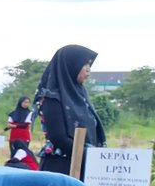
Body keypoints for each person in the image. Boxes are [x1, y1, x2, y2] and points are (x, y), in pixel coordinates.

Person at [36, 45, 105, 177]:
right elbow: (58, 138)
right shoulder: (52, 98)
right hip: (62, 168)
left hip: (86, 165)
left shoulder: (80, 95)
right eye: (85, 64)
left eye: (90, 65)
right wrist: (92, 156)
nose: (89, 70)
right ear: (70, 65)